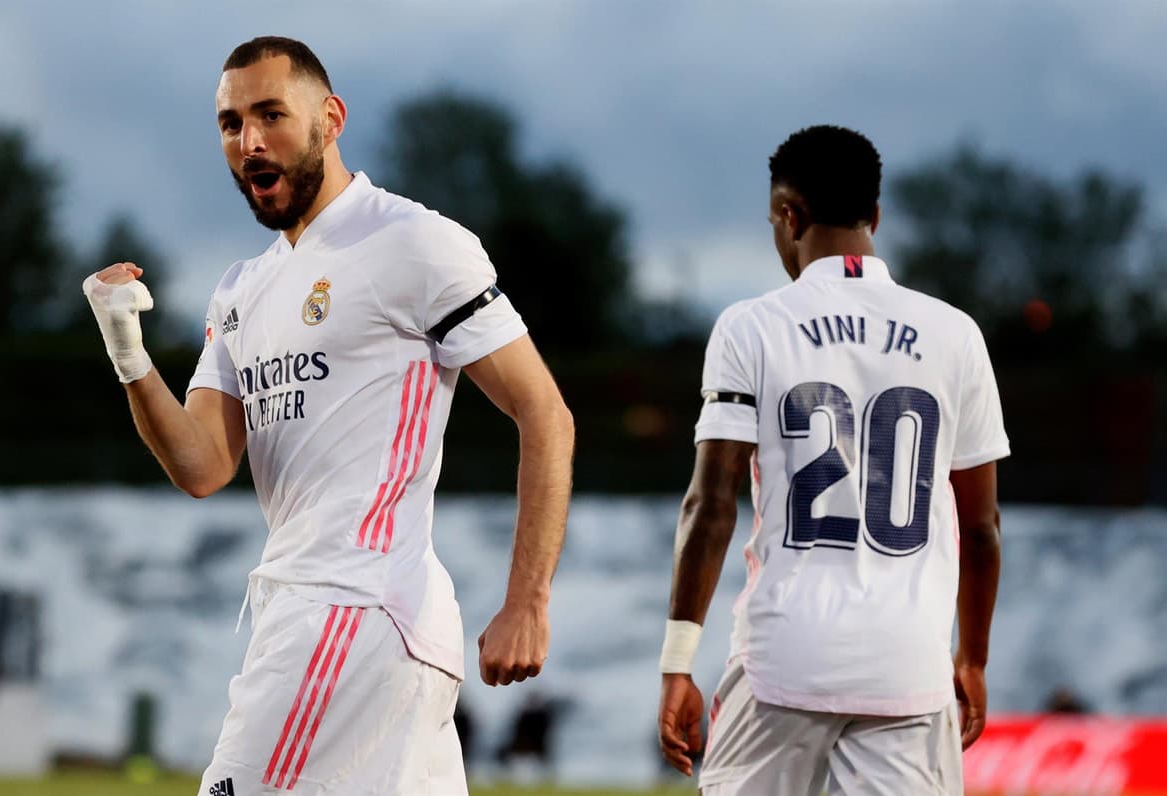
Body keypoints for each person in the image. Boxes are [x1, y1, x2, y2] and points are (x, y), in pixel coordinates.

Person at [82, 36, 573, 796]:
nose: (249, 142)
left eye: (271, 114)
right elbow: (202, 465)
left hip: (355, 608)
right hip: (328, 615)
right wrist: (127, 348)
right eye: (230, 123)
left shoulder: (410, 240)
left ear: (331, 118)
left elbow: (545, 411)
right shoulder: (241, 290)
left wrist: (528, 603)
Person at [656, 125, 1009, 795]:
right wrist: (974, 658)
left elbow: (710, 504)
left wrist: (678, 661)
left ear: (790, 216)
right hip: (909, 662)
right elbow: (982, 526)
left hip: (786, 655)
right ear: (875, 216)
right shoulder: (955, 333)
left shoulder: (751, 325)